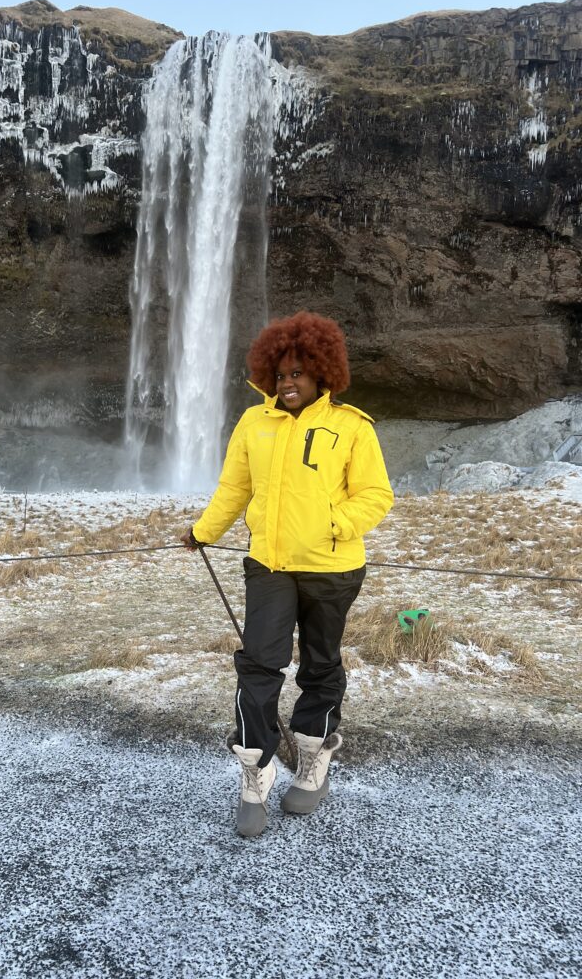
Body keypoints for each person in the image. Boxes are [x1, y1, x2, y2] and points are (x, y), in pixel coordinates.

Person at [180, 311, 393, 837]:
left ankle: (314, 757)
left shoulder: (352, 427)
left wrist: (334, 524)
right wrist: (204, 531)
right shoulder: (255, 423)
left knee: (320, 666)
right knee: (258, 666)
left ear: (323, 372)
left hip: (333, 568)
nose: (287, 383)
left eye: (298, 372)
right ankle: (256, 770)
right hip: (270, 566)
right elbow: (235, 488)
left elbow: (376, 495)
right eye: (280, 374)